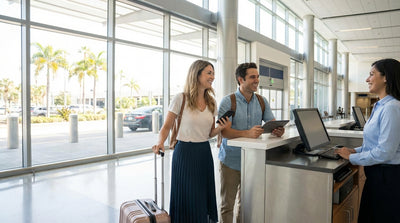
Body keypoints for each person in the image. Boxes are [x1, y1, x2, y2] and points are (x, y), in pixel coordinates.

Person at [152, 60, 230, 223]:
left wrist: (222, 127)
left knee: (201, 195)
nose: (212, 77)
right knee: (186, 195)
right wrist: (160, 142)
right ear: (197, 74)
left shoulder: (211, 102)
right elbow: (166, 126)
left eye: (213, 73)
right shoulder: (181, 98)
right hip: (185, 153)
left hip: (203, 152)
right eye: (209, 73)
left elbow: (209, 133)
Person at [217, 62, 285, 223]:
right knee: (227, 205)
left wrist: (278, 129)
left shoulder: (262, 101)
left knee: (245, 204)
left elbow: (272, 122)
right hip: (230, 161)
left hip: (253, 160)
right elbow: (223, 132)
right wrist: (246, 133)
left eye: (257, 77)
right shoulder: (228, 101)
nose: (257, 80)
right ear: (241, 79)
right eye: (252, 77)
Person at [336, 58, 400, 223]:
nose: (367, 79)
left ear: (385, 77)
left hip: (387, 178)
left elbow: (385, 152)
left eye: (372, 74)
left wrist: (352, 158)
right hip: (378, 176)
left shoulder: (391, 107)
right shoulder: (380, 106)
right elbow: (375, 144)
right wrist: (355, 151)